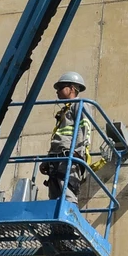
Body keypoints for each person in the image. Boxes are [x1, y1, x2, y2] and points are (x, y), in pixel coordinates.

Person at [40, 71, 102, 202]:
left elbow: (84, 129)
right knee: (54, 194)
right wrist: (47, 160)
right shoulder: (65, 110)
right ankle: (56, 222)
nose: (57, 91)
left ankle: (70, 216)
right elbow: (59, 138)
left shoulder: (80, 104)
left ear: (72, 88)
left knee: (67, 190)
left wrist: (77, 152)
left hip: (70, 155)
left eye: (61, 87)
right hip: (57, 156)